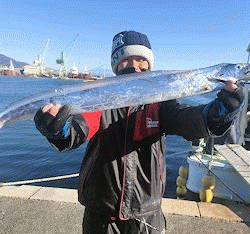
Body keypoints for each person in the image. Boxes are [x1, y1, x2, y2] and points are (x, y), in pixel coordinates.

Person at [34, 30, 244, 234]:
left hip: (147, 216)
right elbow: (77, 129)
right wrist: (57, 129)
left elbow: (187, 120)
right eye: (126, 60)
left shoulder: (160, 102)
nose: (134, 66)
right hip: (101, 216)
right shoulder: (99, 100)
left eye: (141, 59)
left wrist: (219, 112)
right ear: (115, 66)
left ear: (150, 64)